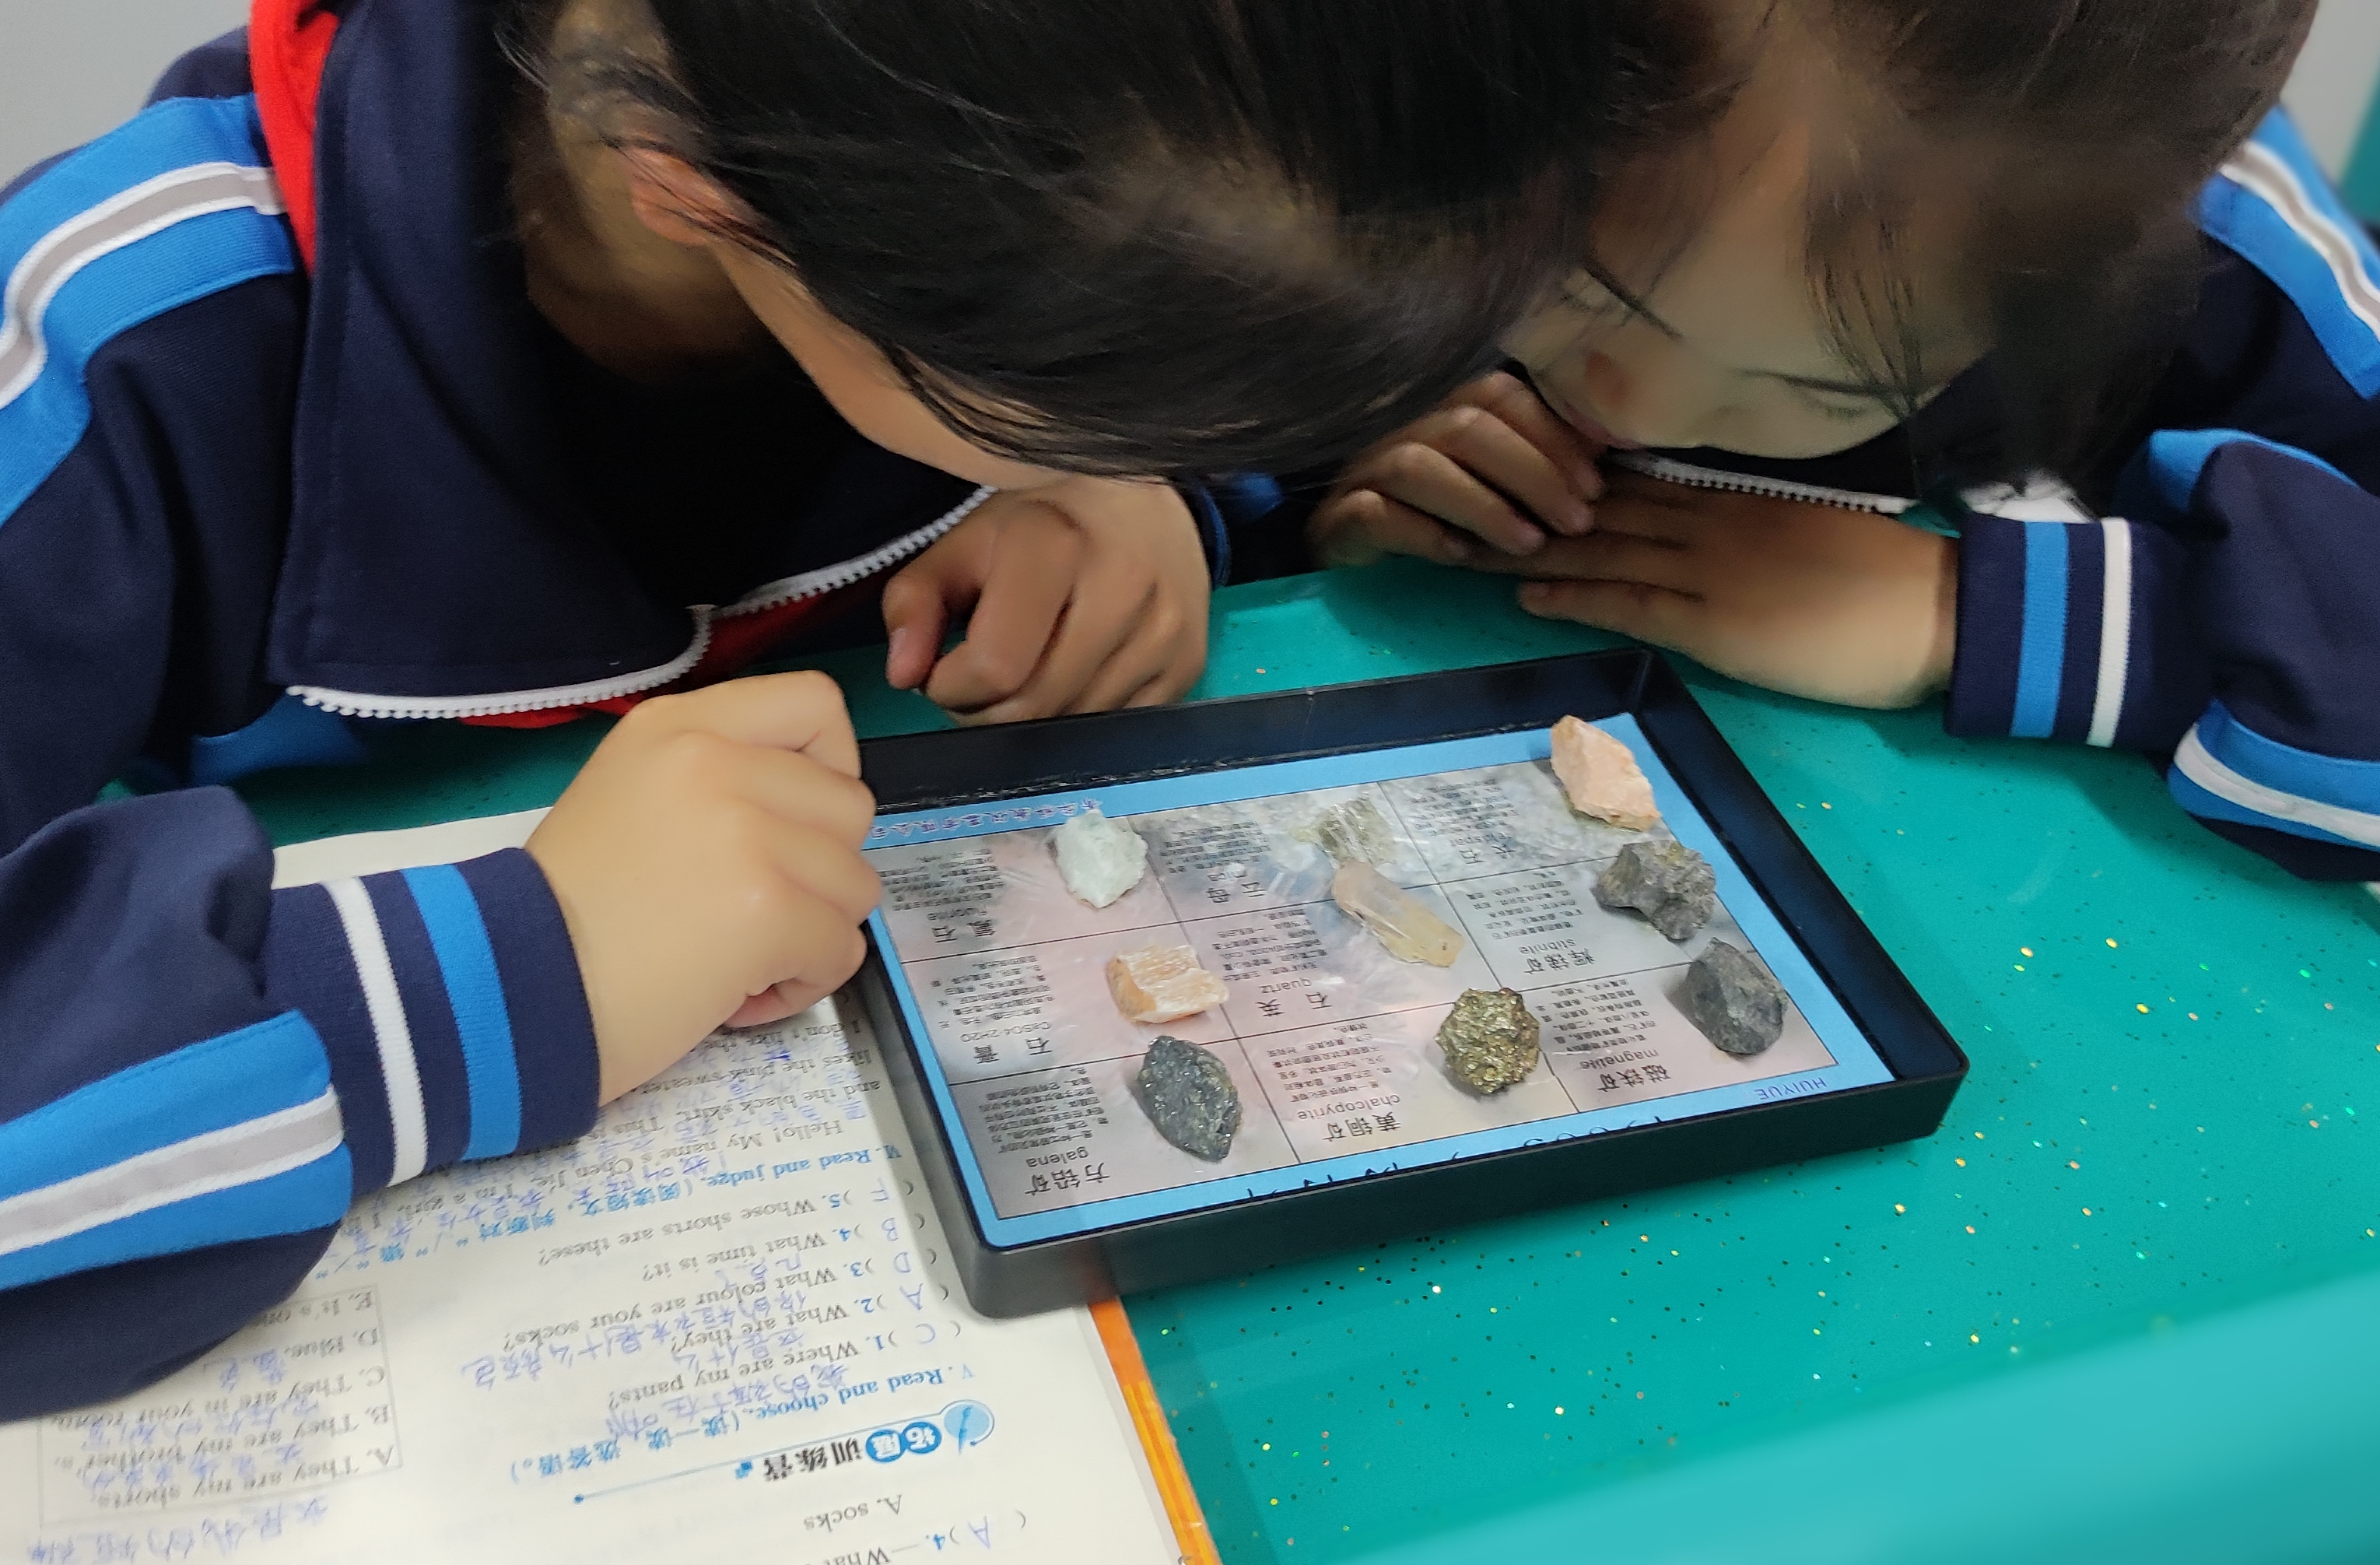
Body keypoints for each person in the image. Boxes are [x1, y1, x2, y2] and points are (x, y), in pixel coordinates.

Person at [0, 0, 1682, 1415]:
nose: (1160, 444)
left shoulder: (1004, 218)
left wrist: (1174, 500)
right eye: (1113, 401)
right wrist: (515, 969)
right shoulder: (104, 359)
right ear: (698, 184)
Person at [1303, 0, 2380, 893]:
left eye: (1819, 386)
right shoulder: (1439, 91)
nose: (1626, 408)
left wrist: (1978, 616)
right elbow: (1228, 380)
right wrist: (1277, 483)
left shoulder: (2212, 258)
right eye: (1575, 292)